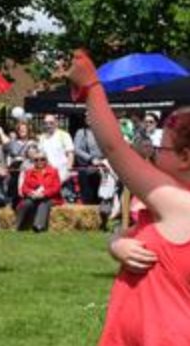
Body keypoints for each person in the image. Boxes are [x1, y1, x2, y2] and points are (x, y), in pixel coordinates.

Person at [66, 51, 190, 344]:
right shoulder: (170, 206)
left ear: (186, 157)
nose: (154, 151)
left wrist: (91, 87)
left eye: (163, 147)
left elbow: (114, 148)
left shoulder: (178, 202)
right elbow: (142, 238)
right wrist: (117, 244)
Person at [16, 148, 62, 233]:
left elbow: (56, 187)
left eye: (42, 159)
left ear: (46, 160)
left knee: (43, 203)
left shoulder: (53, 171)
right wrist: (31, 193)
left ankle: (38, 226)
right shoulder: (29, 172)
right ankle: (19, 226)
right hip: (33, 197)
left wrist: (44, 194)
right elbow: (24, 188)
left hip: (50, 198)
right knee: (26, 203)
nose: (39, 162)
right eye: (36, 160)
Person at [37, 114, 75, 201]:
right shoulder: (42, 138)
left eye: (51, 123)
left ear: (56, 123)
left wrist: (68, 170)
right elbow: (40, 155)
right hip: (46, 173)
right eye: (46, 123)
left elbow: (70, 153)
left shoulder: (64, 135)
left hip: (62, 173)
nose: (48, 125)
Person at [75, 123, 105, 204]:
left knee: (102, 196)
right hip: (86, 168)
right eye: (87, 116)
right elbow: (77, 149)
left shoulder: (104, 131)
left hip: (102, 168)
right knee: (88, 197)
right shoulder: (81, 132)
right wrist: (90, 159)